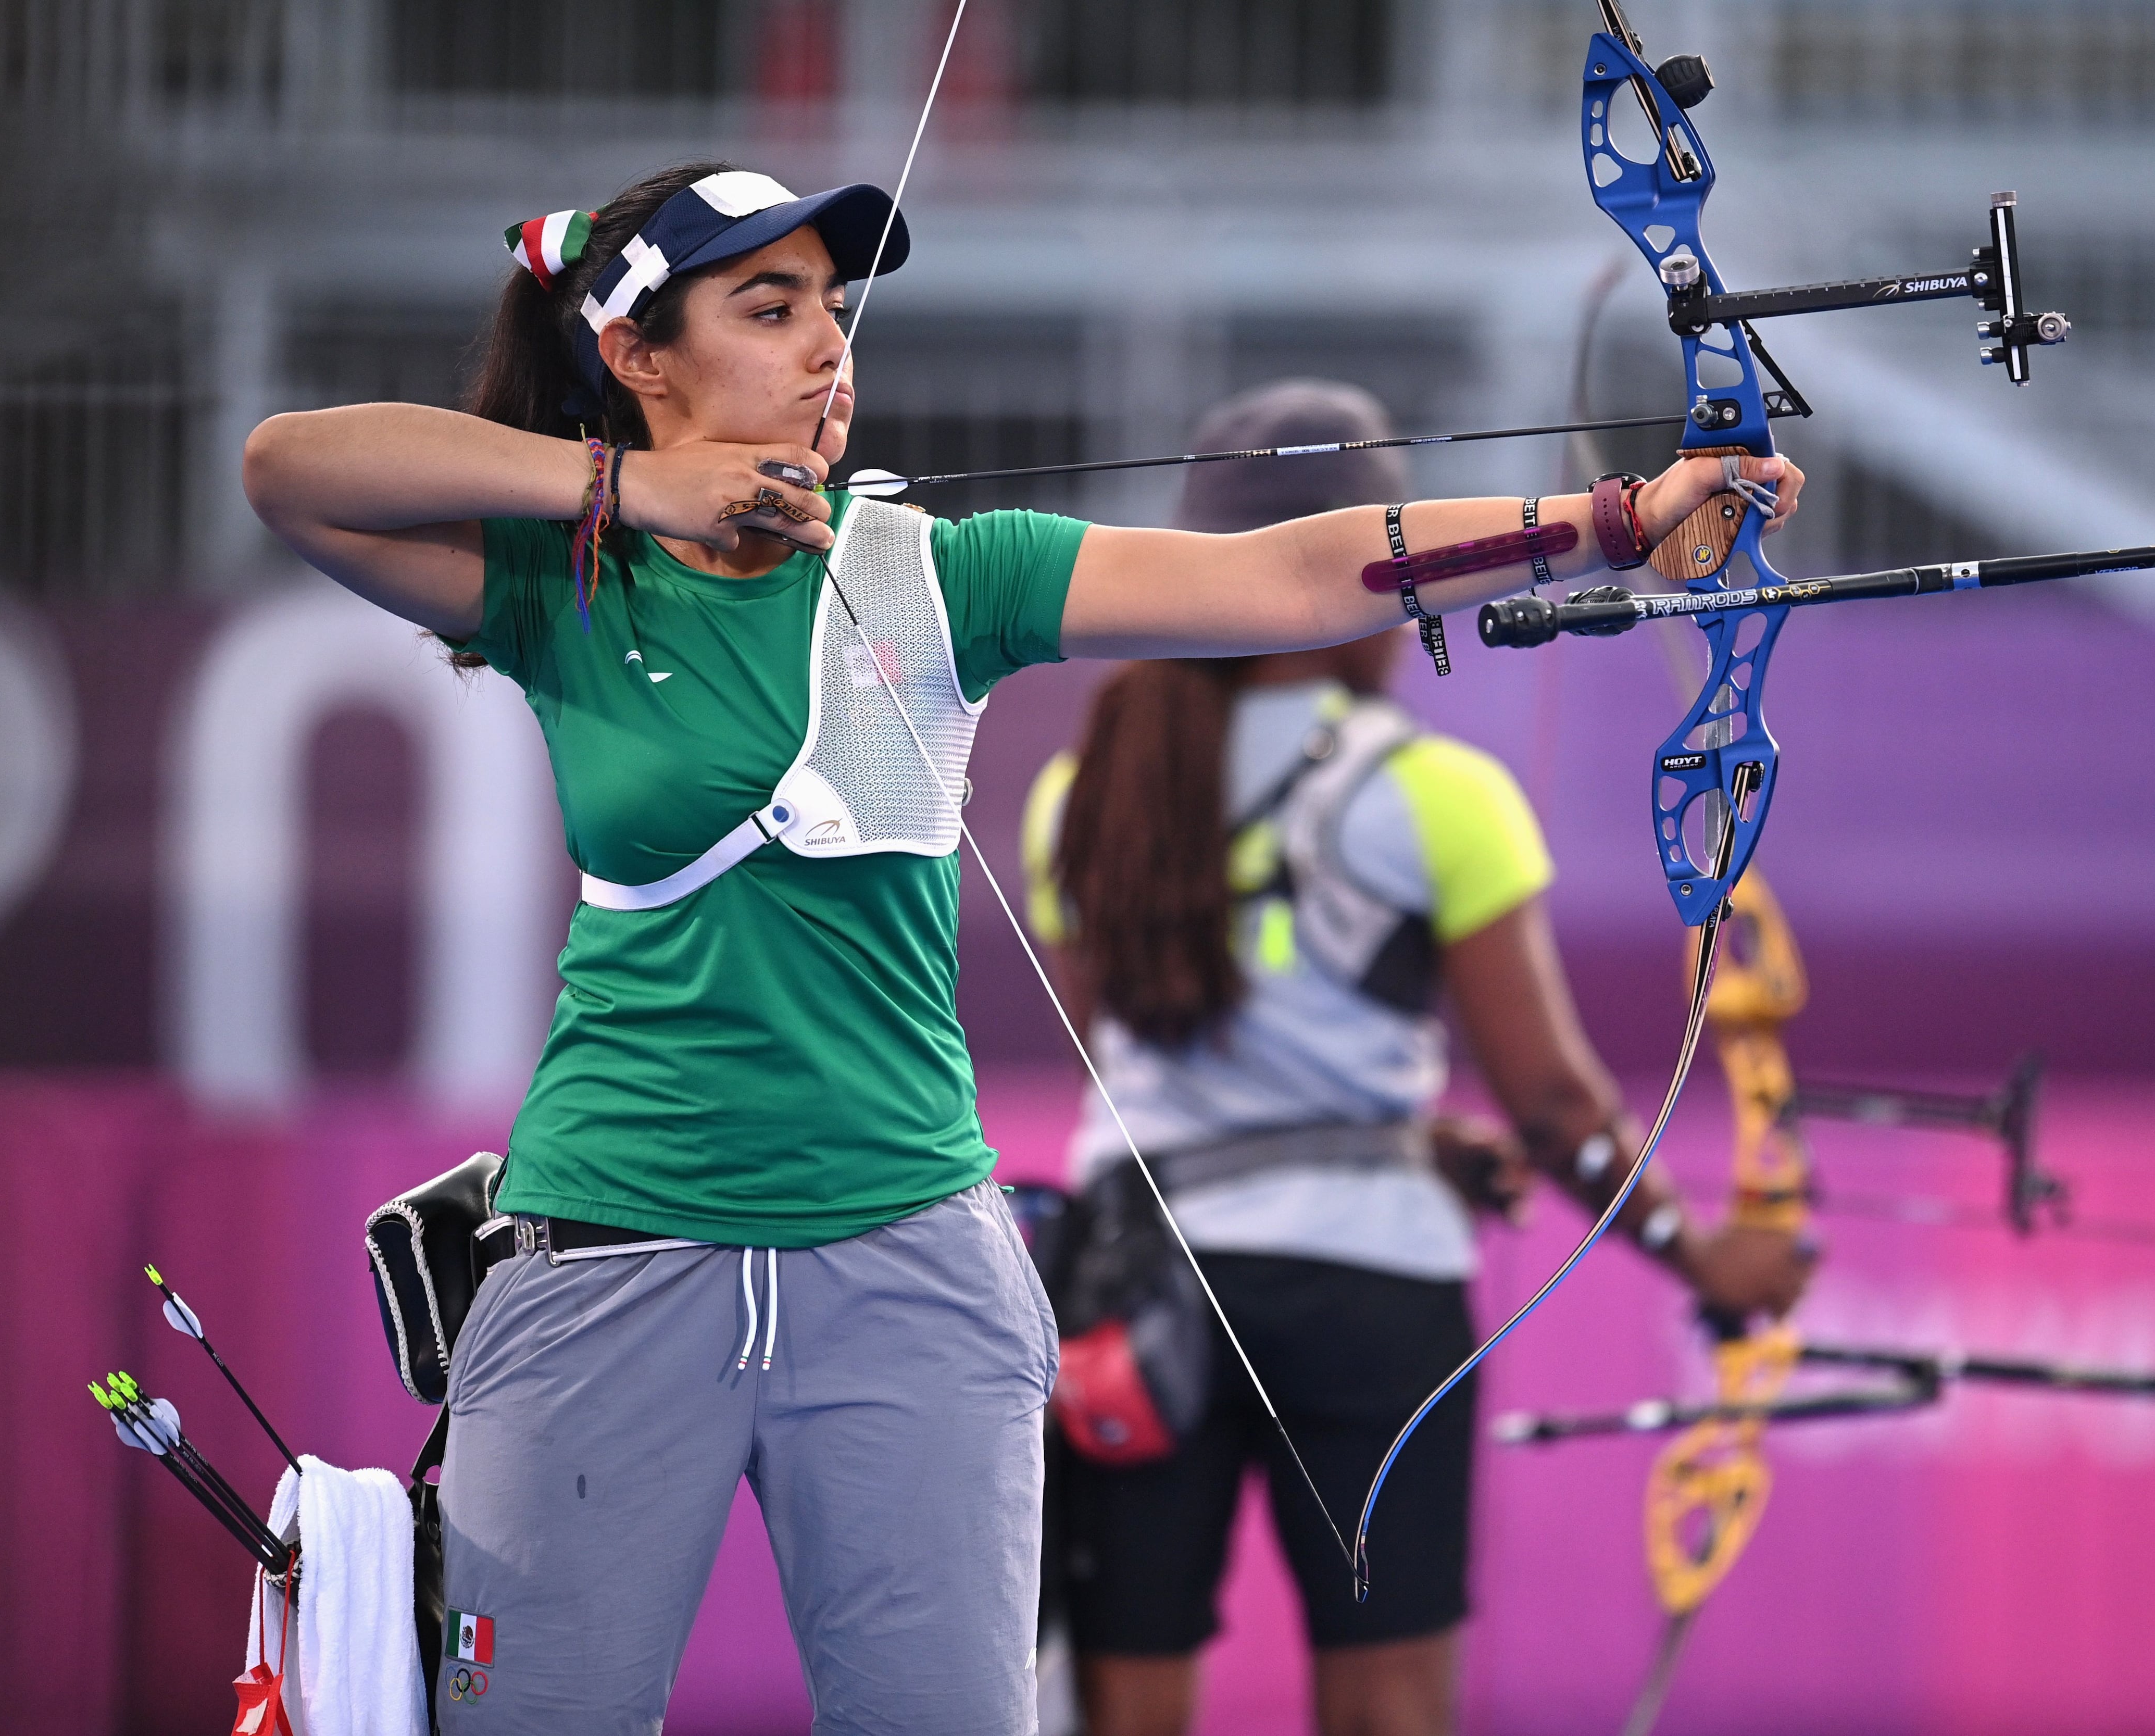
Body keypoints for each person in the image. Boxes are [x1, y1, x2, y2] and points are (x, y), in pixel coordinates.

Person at [240, 161, 1803, 1735]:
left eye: (838, 312)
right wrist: (628, 494)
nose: (827, 349)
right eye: (769, 310)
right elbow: (288, 471)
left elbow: (1283, 573)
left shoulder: (938, 576)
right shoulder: (559, 582)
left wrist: (1613, 521)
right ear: (639, 354)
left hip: (908, 1267)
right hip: (607, 1249)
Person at [1022, 381, 1817, 1736]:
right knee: (1391, 1713)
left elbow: (1160, 1054)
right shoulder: (1436, 791)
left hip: (1130, 1287)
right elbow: (1556, 1103)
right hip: (1367, 1293)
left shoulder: (1073, 794)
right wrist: (1705, 1256)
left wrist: (1396, 1134)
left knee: (1126, 1706)